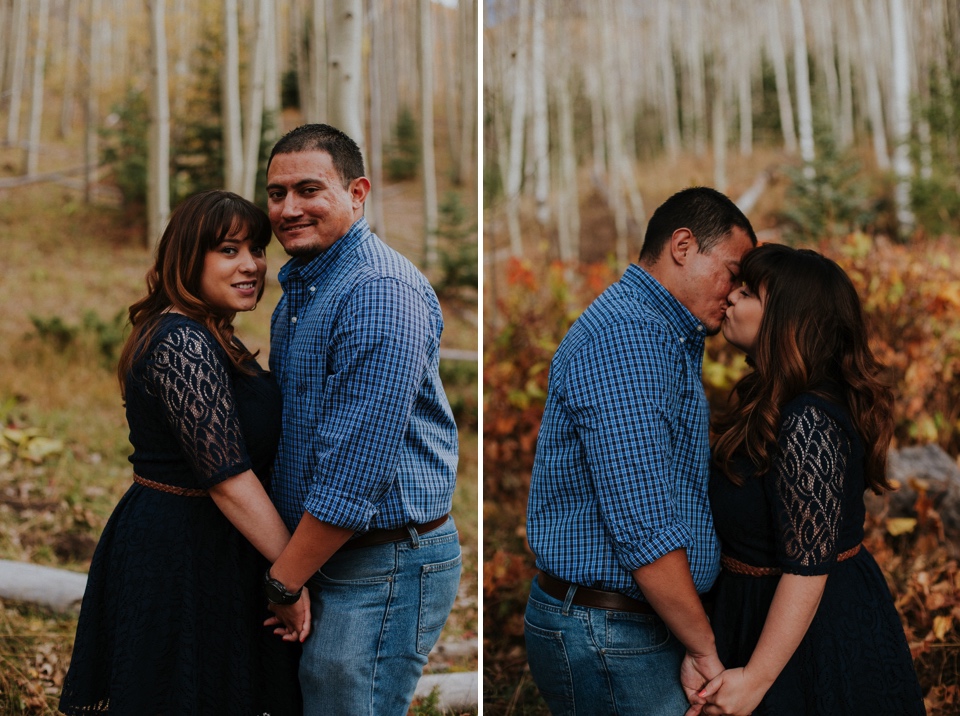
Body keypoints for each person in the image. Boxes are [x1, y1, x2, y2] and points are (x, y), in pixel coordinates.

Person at [59, 190, 304, 715]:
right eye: (229, 250)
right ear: (188, 257)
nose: (252, 265)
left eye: (257, 249)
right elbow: (228, 478)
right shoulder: (182, 343)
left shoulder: (214, 334)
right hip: (178, 550)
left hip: (216, 542)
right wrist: (292, 574)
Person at [524, 186, 757, 715]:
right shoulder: (629, 340)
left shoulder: (662, 334)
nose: (734, 291)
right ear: (682, 246)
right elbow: (644, 525)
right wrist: (703, 648)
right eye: (732, 271)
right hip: (612, 634)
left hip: (630, 624)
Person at [258, 123, 462, 715]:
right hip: (323, 555)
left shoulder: (377, 293)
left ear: (357, 192)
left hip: (382, 564)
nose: (288, 208)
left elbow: (352, 480)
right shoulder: (307, 287)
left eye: (308, 189)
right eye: (276, 194)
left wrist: (282, 582)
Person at [698, 244, 925, 715]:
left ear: (789, 319)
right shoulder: (770, 400)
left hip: (810, 635)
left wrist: (756, 680)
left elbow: (807, 568)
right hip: (751, 615)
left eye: (747, 292)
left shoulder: (809, 420)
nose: (731, 299)